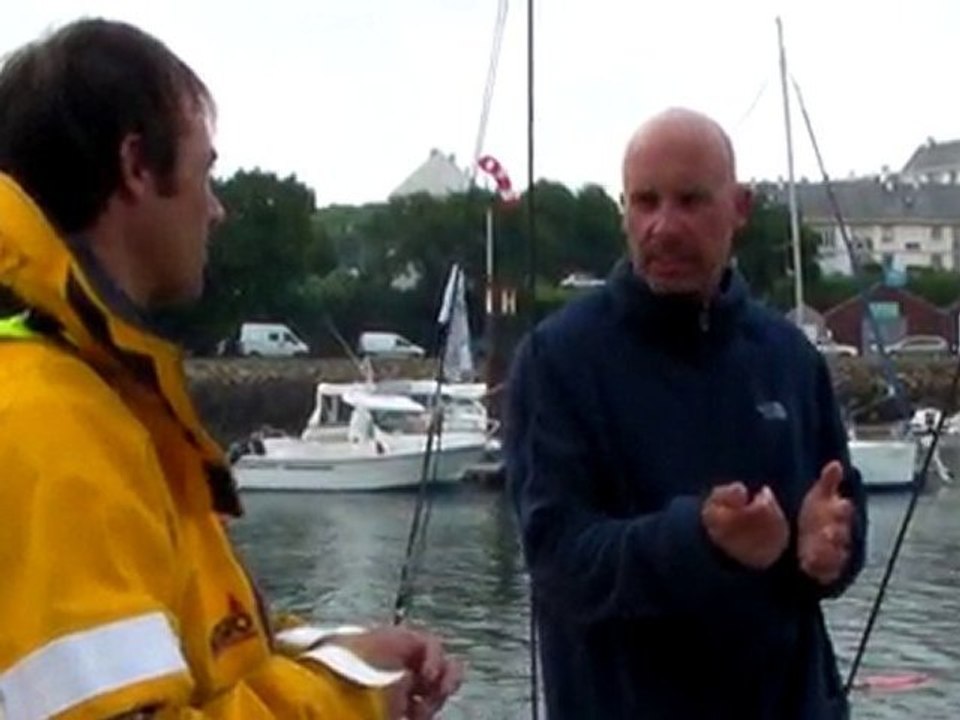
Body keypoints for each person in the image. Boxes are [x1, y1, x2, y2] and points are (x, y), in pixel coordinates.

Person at [0, 19, 461, 720]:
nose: (217, 210)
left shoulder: (94, 398)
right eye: (205, 172)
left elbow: (193, 648)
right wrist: (351, 699)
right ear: (137, 166)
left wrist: (340, 656)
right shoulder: (52, 426)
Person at [505, 107, 867, 719]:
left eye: (691, 201)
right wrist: (700, 539)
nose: (664, 227)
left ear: (739, 208)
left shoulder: (791, 357)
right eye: (645, 202)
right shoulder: (557, 360)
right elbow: (559, 559)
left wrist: (831, 548)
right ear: (624, 210)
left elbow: (842, 512)